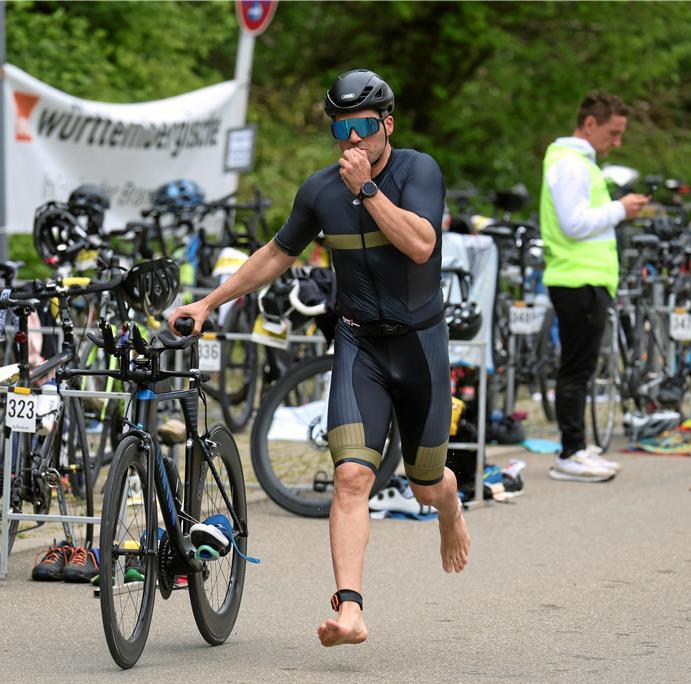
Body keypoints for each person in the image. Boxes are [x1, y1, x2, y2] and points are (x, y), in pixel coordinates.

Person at [170, 69, 471, 647]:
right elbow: (275, 254)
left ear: (387, 124)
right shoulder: (319, 190)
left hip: (420, 345)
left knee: (425, 485)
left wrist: (368, 191)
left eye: (362, 127)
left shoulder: (417, 172)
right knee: (352, 477)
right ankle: (350, 609)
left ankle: (450, 505)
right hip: (359, 343)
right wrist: (208, 302)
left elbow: (420, 244)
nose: (351, 141)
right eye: (340, 129)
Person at [540, 90, 650, 482]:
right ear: (590, 124)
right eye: (614, 132)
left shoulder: (576, 162)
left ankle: (578, 446)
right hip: (577, 278)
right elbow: (573, 223)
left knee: (581, 367)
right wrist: (621, 209)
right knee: (576, 368)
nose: (617, 142)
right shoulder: (571, 165)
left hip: (583, 278)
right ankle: (570, 452)